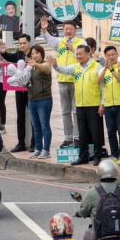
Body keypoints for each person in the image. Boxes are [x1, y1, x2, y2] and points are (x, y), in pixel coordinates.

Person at [49, 44, 105, 166]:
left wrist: (102, 104)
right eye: (77, 54)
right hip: (80, 105)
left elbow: (103, 87)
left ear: (87, 54)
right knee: (82, 133)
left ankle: (97, 156)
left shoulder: (97, 66)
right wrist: (55, 65)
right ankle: (83, 156)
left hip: (94, 105)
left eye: (80, 54)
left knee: (96, 133)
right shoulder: (76, 68)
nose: (78, 56)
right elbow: (63, 69)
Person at [41, 16, 84, 149]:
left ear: (75, 30)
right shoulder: (60, 42)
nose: (68, 31)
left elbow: (84, 58)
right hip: (62, 81)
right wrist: (44, 30)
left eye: (71, 29)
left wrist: (72, 49)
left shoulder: (81, 43)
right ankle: (68, 138)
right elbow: (49, 39)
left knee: (76, 111)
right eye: (66, 29)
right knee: (65, 111)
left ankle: (77, 138)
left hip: (76, 81)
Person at [76, 160, 120, 240]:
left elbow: (84, 210)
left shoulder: (92, 191)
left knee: (87, 237)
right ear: (116, 172)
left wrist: (79, 213)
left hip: (99, 234)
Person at [0, 34, 35, 152]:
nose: (22, 45)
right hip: (19, 90)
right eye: (20, 43)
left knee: (34, 117)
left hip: (32, 90)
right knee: (20, 117)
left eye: (24, 43)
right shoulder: (18, 54)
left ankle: (34, 143)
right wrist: (3, 53)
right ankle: (21, 143)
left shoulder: (34, 53)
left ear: (29, 42)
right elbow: (9, 56)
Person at [98, 45, 120, 165]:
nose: (110, 57)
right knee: (111, 131)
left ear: (117, 55)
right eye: (108, 55)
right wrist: (106, 68)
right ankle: (114, 154)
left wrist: (112, 69)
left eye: (112, 55)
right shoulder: (104, 68)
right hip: (108, 104)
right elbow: (98, 81)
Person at [26, 45, 53, 159]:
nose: (34, 55)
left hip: (44, 99)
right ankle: (38, 149)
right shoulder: (31, 67)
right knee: (36, 126)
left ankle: (46, 150)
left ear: (42, 54)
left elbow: (45, 68)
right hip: (32, 100)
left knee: (44, 126)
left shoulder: (45, 64)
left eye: (37, 53)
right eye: (32, 54)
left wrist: (35, 64)